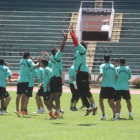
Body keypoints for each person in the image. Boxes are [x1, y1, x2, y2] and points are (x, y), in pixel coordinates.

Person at [69, 25, 97, 116]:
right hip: (79, 74)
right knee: (81, 93)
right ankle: (89, 108)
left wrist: (71, 33)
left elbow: (76, 42)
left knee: (86, 91)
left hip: (83, 73)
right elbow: (76, 43)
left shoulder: (82, 49)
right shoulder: (77, 52)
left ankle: (94, 106)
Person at [49, 30, 67, 119]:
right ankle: (57, 112)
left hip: (53, 79)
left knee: (52, 96)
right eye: (57, 50)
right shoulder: (57, 56)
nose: (58, 50)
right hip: (56, 79)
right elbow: (62, 48)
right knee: (57, 96)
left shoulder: (52, 57)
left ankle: (53, 113)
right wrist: (64, 39)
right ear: (55, 52)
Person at [15, 51, 39, 117]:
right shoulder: (29, 60)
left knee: (18, 95)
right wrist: (38, 62)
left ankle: (17, 110)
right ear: (28, 56)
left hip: (20, 80)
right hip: (25, 80)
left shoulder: (21, 60)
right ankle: (22, 110)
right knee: (24, 96)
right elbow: (35, 66)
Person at [96, 55, 118, 120]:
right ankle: (114, 115)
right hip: (111, 86)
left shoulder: (102, 66)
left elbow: (101, 73)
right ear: (109, 59)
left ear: (104, 59)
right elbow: (117, 75)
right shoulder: (113, 66)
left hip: (104, 86)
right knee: (111, 101)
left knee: (101, 100)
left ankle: (103, 115)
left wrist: (97, 79)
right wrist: (112, 80)